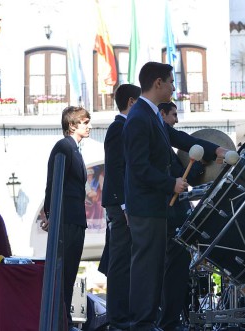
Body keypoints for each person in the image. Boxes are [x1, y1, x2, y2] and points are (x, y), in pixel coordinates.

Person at [123, 62, 227, 331]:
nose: (173, 87)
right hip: (145, 208)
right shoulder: (138, 118)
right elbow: (138, 167)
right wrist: (171, 183)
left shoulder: (152, 115)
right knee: (146, 267)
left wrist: (216, 150)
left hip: (156, 207)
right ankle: (141, 324)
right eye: (171, 82)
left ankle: (153, 322)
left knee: (158, 265)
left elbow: (179, 138)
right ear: (158, 83)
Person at [157, 102, 217, 331]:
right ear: (162, 114)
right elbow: (178, 175)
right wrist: (201, 165)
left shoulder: (164, 143)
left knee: (177, 271)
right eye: (173, 115)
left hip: (173, 215)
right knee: (174, 271)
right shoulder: (160, 142)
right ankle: (169, 322)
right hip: (171, 216)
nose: (176, 120)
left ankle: (172, 320)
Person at [42, 106, 92, 331]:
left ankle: (64, 320)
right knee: (63, 273)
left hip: (75, 218)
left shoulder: (75, 149)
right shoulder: (64, 147)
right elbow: (53, 182)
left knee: (70, 271)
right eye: (84, 122)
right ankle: (61, 321)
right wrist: (51, 214)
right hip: (67, 219)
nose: (88, 125)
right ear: (72, 125)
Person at [100, 83, 141, 331]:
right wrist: (125, 206)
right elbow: (116, 169)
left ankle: (122, 315)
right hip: (119, 204)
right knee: (120, 260)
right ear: (131, 102)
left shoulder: (125, 128)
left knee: (125, 259)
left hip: (123, 203)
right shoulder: (118, 128)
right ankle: (118, 317)